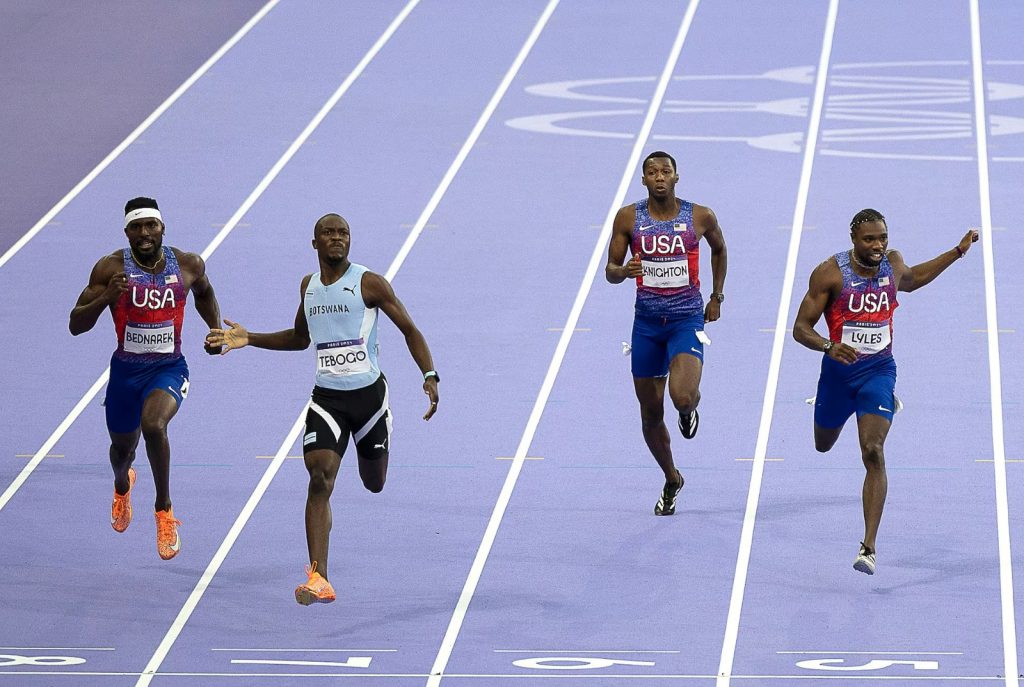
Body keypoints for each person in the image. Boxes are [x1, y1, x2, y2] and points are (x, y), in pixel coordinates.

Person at [205, 212, 439, 605]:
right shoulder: (309, 287)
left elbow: (409, 329)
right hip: (327, 400)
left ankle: (379, 437)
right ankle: (319, 577)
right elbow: (300, 338)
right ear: (315, 243)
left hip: (369, 401)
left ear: (350, 240)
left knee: (374, 482)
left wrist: (429, 374)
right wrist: (249, 338)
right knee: (319, 479)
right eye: (328, 233)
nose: (336, 238)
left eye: (343, 232)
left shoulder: (369, 283)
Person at [792, 208, 979, 575]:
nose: (878, 245)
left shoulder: (892, 265)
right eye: (869, 240)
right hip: (838, 375)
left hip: (879, 371)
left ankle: (868, 547)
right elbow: (800, 328)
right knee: (822, 444)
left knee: (873, 451)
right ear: (853, 240)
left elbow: (914, 277)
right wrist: (828, 346)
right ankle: (844, 405)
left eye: (882, 238)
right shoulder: (830, 273)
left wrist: (957, 252)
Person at [69, 197, 222, 560]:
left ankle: (163, 510)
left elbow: (204, 292)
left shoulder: (188, 264)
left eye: (151, 225)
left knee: (154, 425)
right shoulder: (109, 269)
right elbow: (76, 324)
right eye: (136, 227)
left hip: (169, 367)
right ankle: (123, 485)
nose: (144, 233)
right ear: (126, 232)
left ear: (162, 227)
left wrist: (216, 328)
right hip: (125, 374)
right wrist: (106, 297)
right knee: (122, 452)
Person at [605, 151, 728, 516]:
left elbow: (720, 249)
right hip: (646, 324)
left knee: (683, 398)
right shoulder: (628, 217)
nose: (659, 177)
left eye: (665, 171)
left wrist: (716, 296)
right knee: (650, 414)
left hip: (685, 319)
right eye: (652, 172)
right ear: (643, 180)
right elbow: (610, 271)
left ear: (676, 177)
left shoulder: (700, 216)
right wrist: (624, 271)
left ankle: (689, 411)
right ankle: (672, 478)